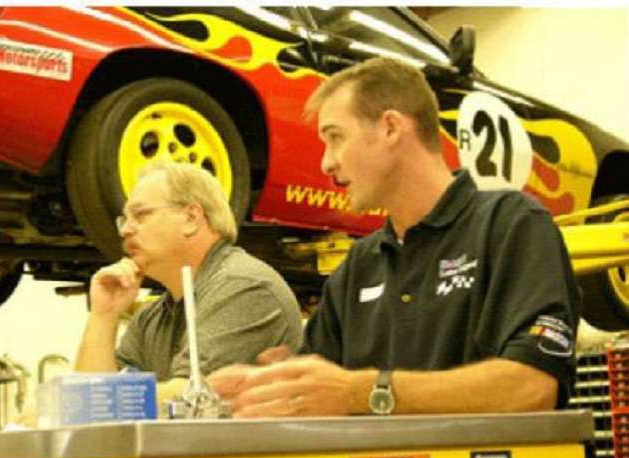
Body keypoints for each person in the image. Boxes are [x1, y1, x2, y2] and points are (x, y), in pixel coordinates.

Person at [208, 56, 580, 417]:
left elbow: (533, 387)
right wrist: (266, 386)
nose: (326, 162)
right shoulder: (359, 266)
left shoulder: (511, 225)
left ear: (391, 128)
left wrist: (364, 392)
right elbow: (324, 391)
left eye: (336, 138)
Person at [75, 161, 303, 402]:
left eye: (141, 215)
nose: (125, 231)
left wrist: (104, 398)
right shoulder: (151, 318)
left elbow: (190, 399)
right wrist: (104, 315)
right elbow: (88, 405)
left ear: (191, 219)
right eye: (124, 220)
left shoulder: (246, 288)